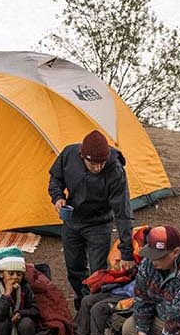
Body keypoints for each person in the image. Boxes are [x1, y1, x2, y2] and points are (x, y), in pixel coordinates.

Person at [48, 129, 135, 308]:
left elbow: (123, 213)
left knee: (98, 272)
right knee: (74, 268)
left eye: (101, 163)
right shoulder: (69, 154)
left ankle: (93, 309)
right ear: (82, 156)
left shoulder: (115, 170)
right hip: (72, 221)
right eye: (92, 163)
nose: (97, 168)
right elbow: (55, 178)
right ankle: (83, 302)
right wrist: (58, 197)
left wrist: (126, 251)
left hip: (98, 224)